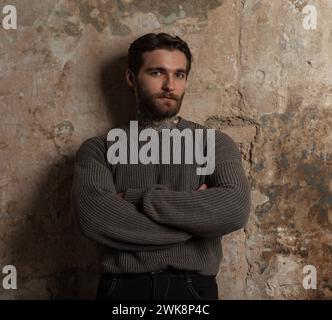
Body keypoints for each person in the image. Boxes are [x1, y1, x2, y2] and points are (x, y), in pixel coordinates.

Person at [71, 33, 251, 300]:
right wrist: (195, 224)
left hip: (192, 289)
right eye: (157, 72)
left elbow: (234, 210)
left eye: (179, 74)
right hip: (122, 290)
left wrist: (136, 199)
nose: (170, 85)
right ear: (131, 78)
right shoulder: (99, 149)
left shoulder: (212, 144)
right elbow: (95, 219)